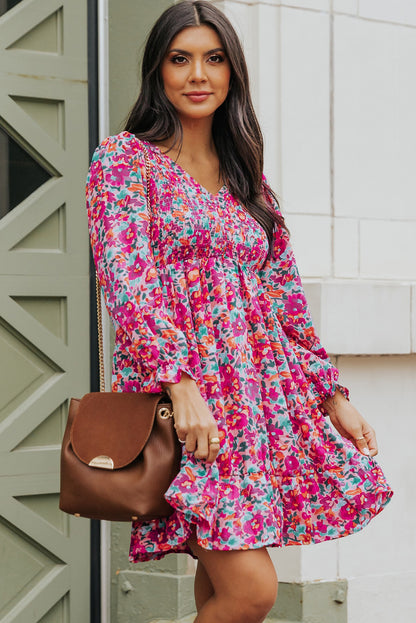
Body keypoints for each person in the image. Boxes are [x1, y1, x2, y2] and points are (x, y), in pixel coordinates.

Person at [86, 2, 393, 621]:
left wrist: (332, 398)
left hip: (255, 408)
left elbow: (283, 300)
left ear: (232, 74)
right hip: (185, 404)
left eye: (214, 58)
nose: (198, 74)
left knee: (221, 592)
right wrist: (181, 383)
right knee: (252, 590)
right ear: (158, 72)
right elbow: (128, 284)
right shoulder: (124, 163)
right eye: (181, 59)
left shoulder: (247, 179)